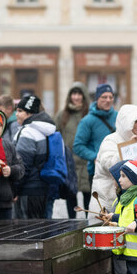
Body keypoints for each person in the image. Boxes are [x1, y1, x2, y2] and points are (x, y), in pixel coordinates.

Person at [89, 104, 137, 214]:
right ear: (126, 122)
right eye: (135, 122)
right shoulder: (110, 140)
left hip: (127, 203)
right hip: (106, 202)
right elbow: (109, 164)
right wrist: (128, 147)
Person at [12, 95, 57, 219]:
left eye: (20, 111)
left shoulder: (29, 132)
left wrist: (14, 189)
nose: (16, 114)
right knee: (39, 229)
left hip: (28, 190)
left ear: (29, 113)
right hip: (41, 187)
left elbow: (23, 166)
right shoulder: (44, 130)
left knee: (27, 231)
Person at [73, 83, 118, 197]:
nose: (108, 100)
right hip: (97, 172)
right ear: (97, 98)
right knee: (99, 207)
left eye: (110, 97)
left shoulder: (119, 117)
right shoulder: (87, 121)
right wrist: (95, 157)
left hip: (119, 171)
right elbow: (78, 146)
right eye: (104, 97)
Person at [55, 82, 90, 218]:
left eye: (79, 94)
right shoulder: (62, 115)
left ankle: (89, 224)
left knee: (88, 195)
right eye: (74, 94)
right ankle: (72, 225)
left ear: (83, 96)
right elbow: (56, 135)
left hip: (86, 161)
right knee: (71, 195)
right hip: (69, 162)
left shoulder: (88, 114)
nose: (76, 97)